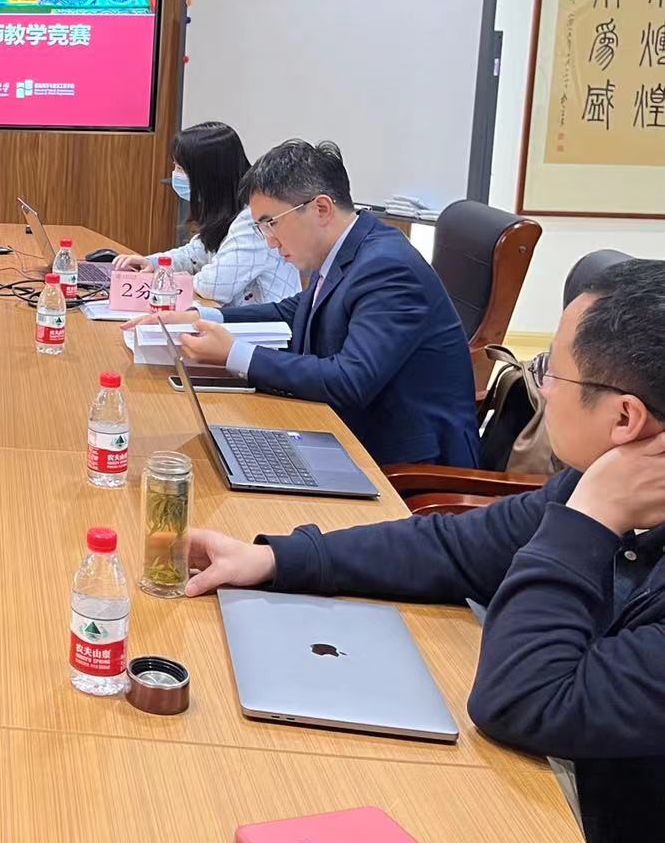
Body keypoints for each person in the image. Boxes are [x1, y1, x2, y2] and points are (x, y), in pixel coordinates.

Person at [184, 259, 665, 843]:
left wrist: (588, 521)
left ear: (625, 417)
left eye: (550, 372)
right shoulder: (596, 482)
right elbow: (455, 547)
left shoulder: (598, 499)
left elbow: (523, 701)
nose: (540, 388)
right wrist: (275, 560)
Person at [127, 139, 476, 466]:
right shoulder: (350, 249)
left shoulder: (387, 268)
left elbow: (350, 380)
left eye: (271, 224)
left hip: (402, 463)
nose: (270, 241)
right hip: (346, 434)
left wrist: (235, 353)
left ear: (321, 208)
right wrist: (199, 317)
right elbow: (292, 311)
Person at [113, 121, 299, 308]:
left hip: (266, 325)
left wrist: (166, 280)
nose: (174, 174)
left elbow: (214, 286)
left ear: (208, 176)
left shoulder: (253, 220)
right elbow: (196, 253)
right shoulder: (226, 211)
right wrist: (154, 263)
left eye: (181, 168)